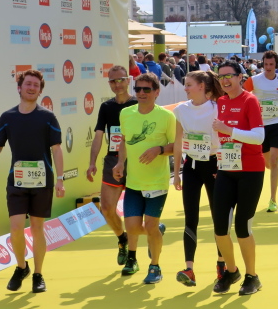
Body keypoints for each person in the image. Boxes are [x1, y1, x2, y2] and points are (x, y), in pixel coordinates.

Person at [0, 70, 64, 293]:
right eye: (28, 84)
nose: (31, 88)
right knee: (16, 229)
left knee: (37, 228)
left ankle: (38, 274)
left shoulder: (48, 117)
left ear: (40, 90)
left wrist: (60, 179)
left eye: (36, 85)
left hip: (42, 182)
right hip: (16, 182)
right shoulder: (7, 117)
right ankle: (21, 267)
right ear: (20, 87)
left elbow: (57, 149)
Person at [113, 73, 176, 283]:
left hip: (157, 182)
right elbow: (124, 141)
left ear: (156, 92)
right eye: (138, 89)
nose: (141, 93)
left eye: (146, 89)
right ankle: (156, 231)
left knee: (149, 225)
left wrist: (159, 149)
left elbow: (176, 146)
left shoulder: (166, 116)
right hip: (133, 182)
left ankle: (155, 267)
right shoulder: (126, 113)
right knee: (131, 227)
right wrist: (120, 163)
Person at [211, 60, 265, 295]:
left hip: (250, 171)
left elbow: (259, 137)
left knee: (242, 226)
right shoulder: (221, 102)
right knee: (219, 227)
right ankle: (231, 271)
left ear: (240, 77)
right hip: (226, 169)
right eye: (221, 76)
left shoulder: (250, 100)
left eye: (229, 76)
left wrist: (229, 130)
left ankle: (252, 276)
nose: (224, 80)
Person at [172, 70, 225, 287]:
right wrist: (177, 173)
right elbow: (177, 142)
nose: (185, 88)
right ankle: (189, 268)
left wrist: (223, 166)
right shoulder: (180, 110)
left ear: (201, 86)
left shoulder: (217, 107)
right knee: (190, 217)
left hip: (214, 166)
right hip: (191, 166)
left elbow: (226, 138)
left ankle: (222, 264)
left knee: (218, 217)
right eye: (185, 84)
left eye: (188, 84)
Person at [86, 65, 137, 268]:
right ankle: (122, 239)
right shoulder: (106, 107)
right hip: (112, 161)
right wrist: (92, 162)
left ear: (128, 80)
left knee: (135, 213)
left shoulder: (138, 103)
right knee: (107, 209)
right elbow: (98, 136)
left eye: (121, 79)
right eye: (113, 81)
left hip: (136, 162)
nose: (117, 84)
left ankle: (138, 253)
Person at [242, 51, 278, 213]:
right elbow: (241, 95)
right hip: (259, 125)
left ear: (276, 65)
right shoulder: (254, 80)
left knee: (273, 160)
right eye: (266, 64)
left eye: (271, 64)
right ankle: (277, 167)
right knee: (268, 164)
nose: (268, 67)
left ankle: (273, 200)